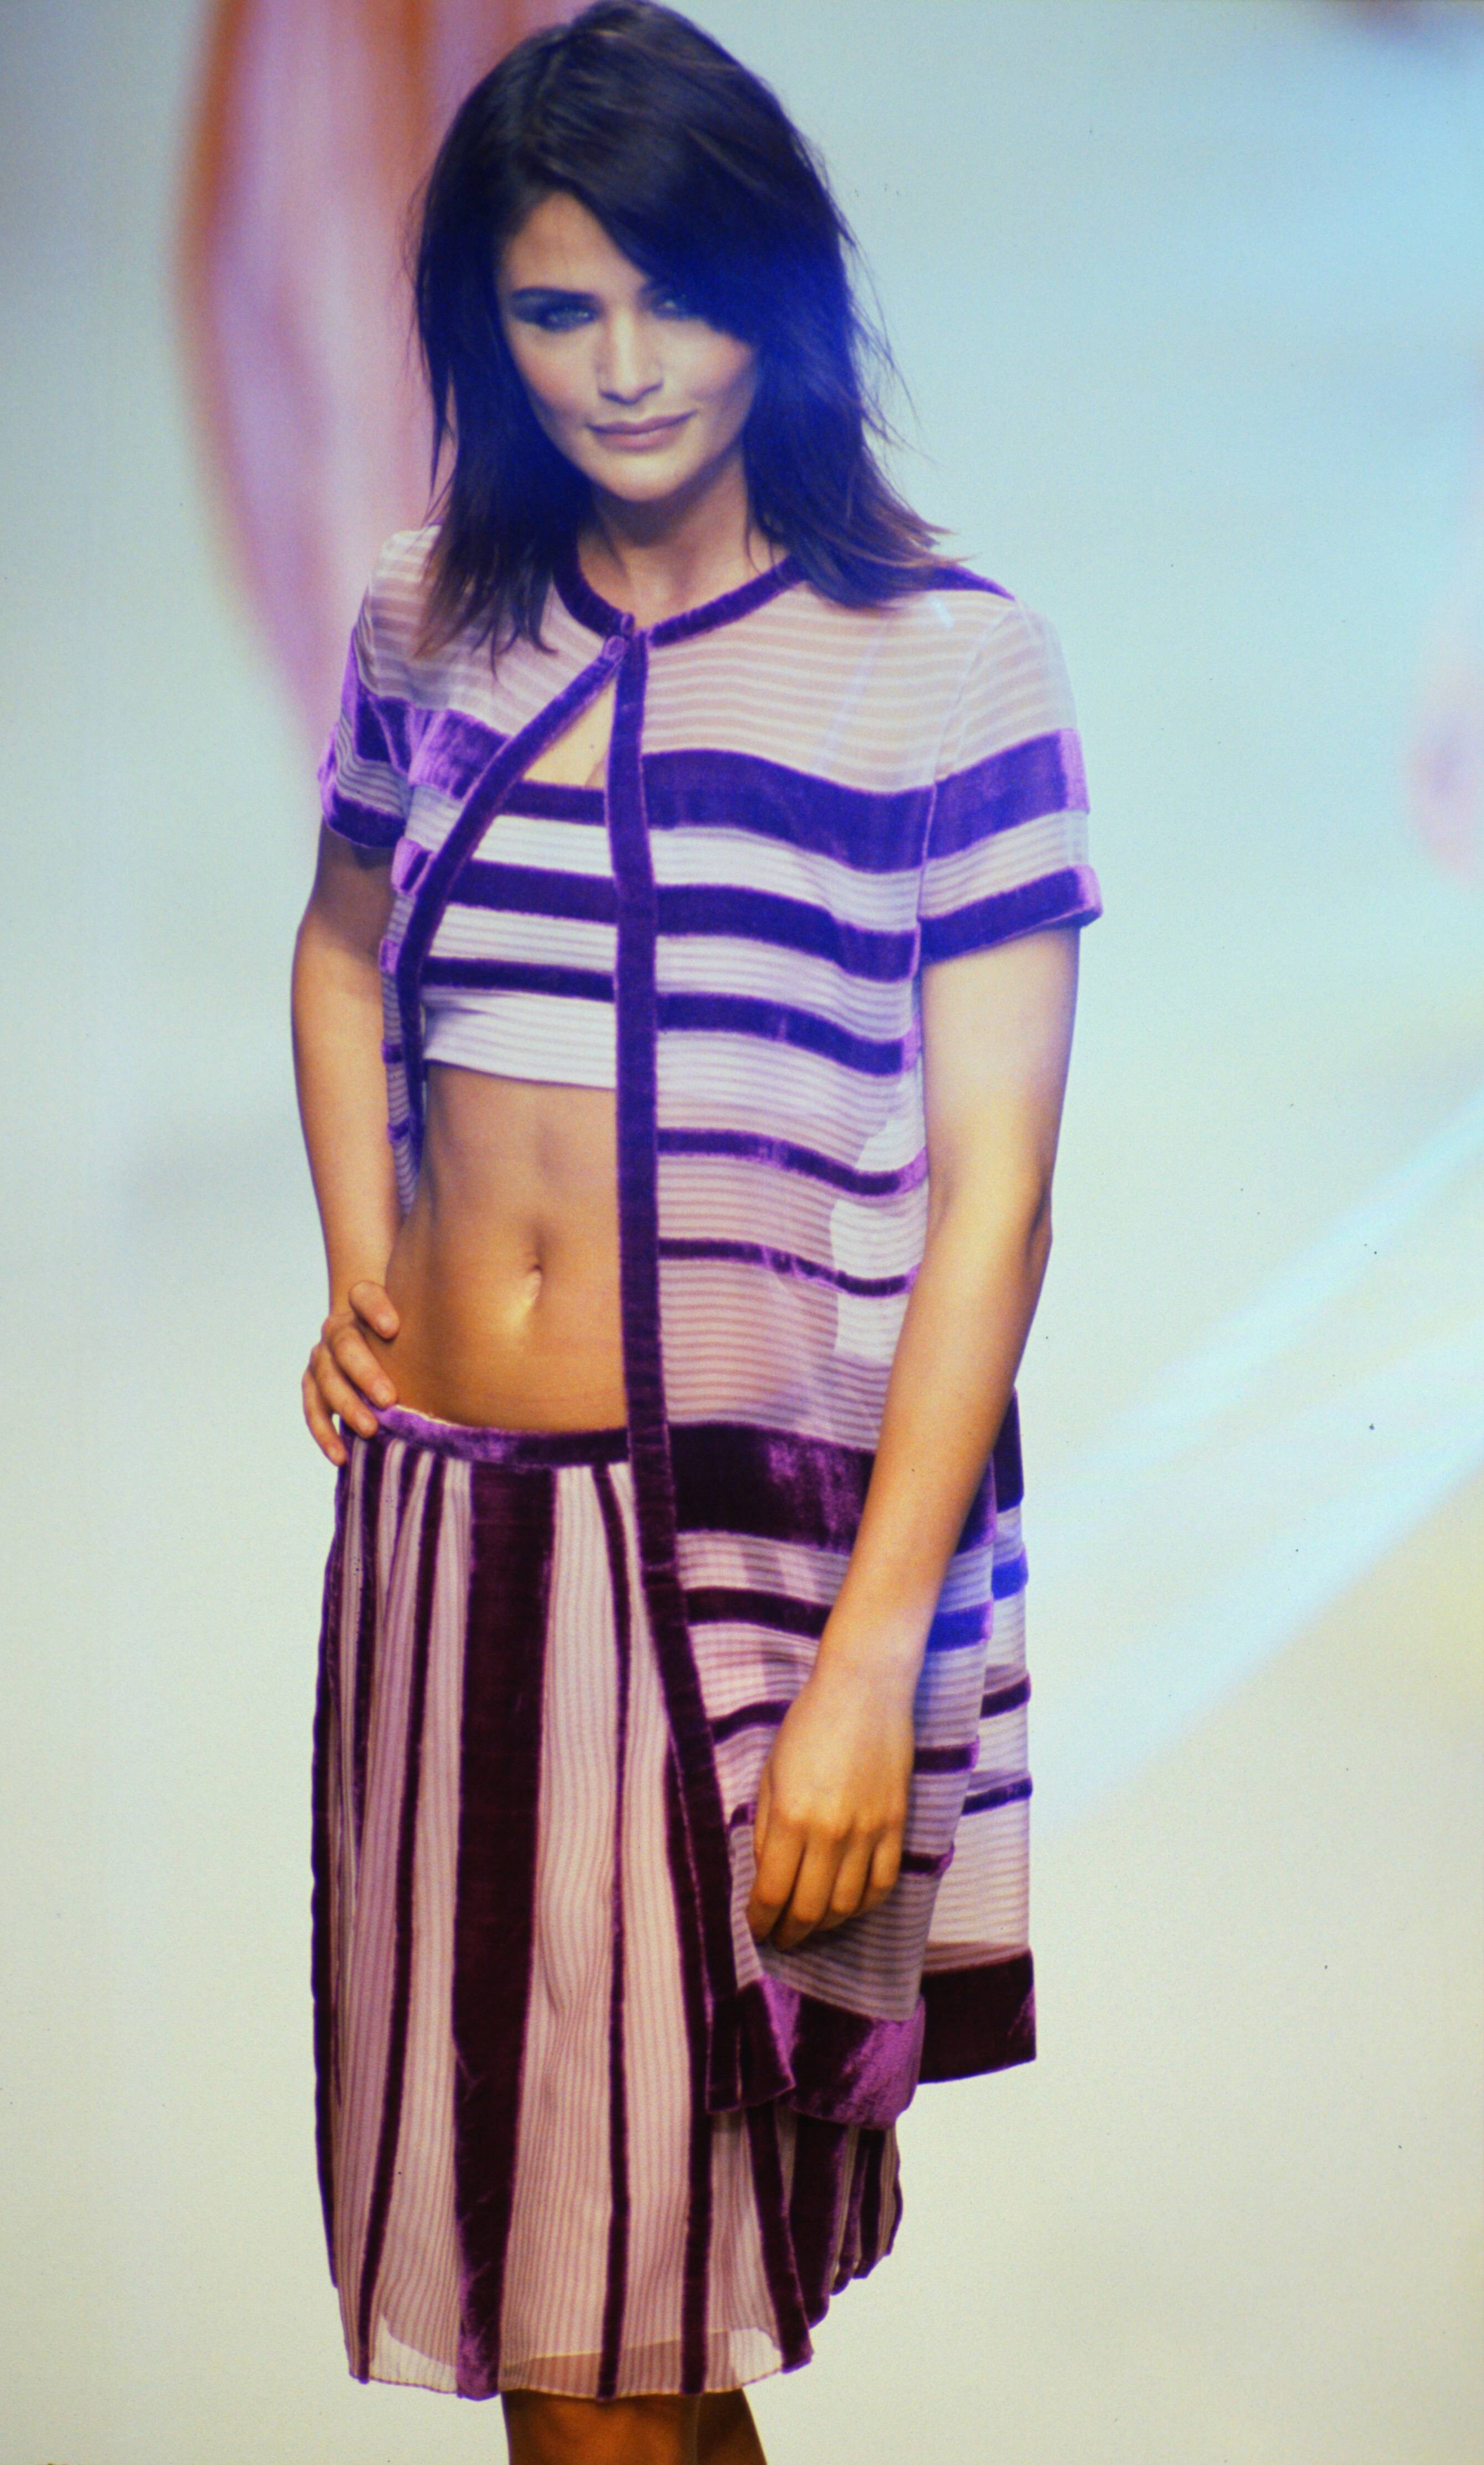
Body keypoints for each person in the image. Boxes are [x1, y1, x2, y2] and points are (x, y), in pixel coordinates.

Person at [291, 6, 1100, 2459]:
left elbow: (996, 1197)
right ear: (487, 329)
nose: (625, 367)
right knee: (584, 2338)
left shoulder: (948, 662)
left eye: (680, 294)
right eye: (559, 307)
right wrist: (361, 1259)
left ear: (784, 293)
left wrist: (868, 1666)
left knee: (620, 2329)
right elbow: (341, 946)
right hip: (447, 1546)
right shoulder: (427, 614)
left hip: (731, 1584)